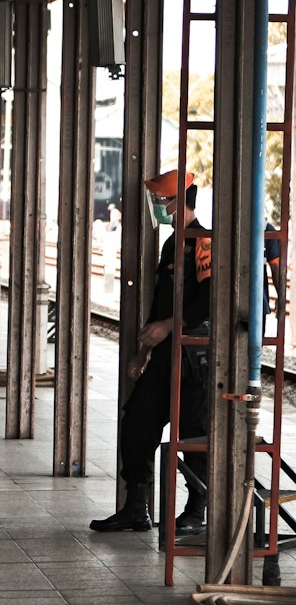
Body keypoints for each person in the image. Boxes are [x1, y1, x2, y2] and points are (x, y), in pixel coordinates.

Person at [90, 170, 211, 534]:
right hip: (162, 358)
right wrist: (144, 348)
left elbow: (210, 299)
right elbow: (160, 302)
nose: (157, 206)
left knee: (193, 436)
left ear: (179, 200)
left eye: (161, 200)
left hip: (193, 360)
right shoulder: (172, 243)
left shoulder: (203, 242)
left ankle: (197, 510)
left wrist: (170, 326)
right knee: (137, 425)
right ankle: (135, 508)